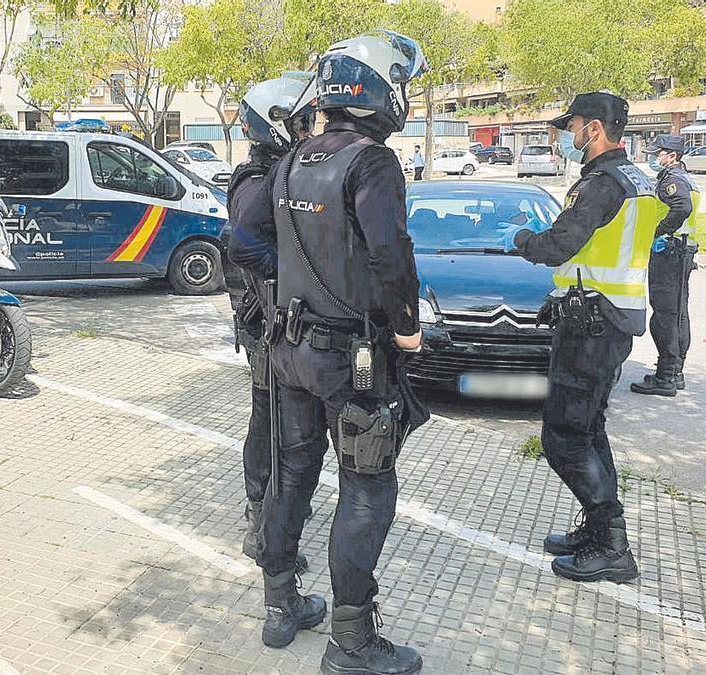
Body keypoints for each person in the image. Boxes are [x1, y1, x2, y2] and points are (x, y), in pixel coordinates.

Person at [253, 31, 430, 674]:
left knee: (292, 475)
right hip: (352, 361)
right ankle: (352, 643)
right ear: (379, 87)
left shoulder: (293, 158)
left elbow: (260, 238)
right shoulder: (372, 161)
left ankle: (281, 604)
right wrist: (407, 326)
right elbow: (391, 255)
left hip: (290, 350)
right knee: (366, 492)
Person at [500, 91, 657, 585]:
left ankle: (613, 544)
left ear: (593, 129)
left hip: (590, 325)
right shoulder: (637, 179)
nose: (568, 135)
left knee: (562, 437)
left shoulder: (600, 184)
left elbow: (558, 245)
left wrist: (523, 238)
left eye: (572, 126)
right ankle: (597, 531)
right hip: (613, 319)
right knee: (589, 430)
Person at [223, 76, 318, 573]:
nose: (309, 130)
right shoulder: (258, 180)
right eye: (301, 122)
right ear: (275, 124)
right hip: (266, 325)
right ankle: (260, 520)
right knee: (270, 422)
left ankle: (273, 516)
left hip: (284, 321)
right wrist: (285, 273)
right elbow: (243, 245)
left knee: (284, 423)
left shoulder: (287, 172)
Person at [630, 134, 700, 397]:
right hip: (682, 251)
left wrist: (659, 233)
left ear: (671, 156)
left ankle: (666, 376)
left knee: (665, 316)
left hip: (669, 252)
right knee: (679, 313)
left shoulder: (671, 180)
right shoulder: (686, 177)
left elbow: (681, 208)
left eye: (657, 153)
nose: (653, 157)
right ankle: (676, 371)